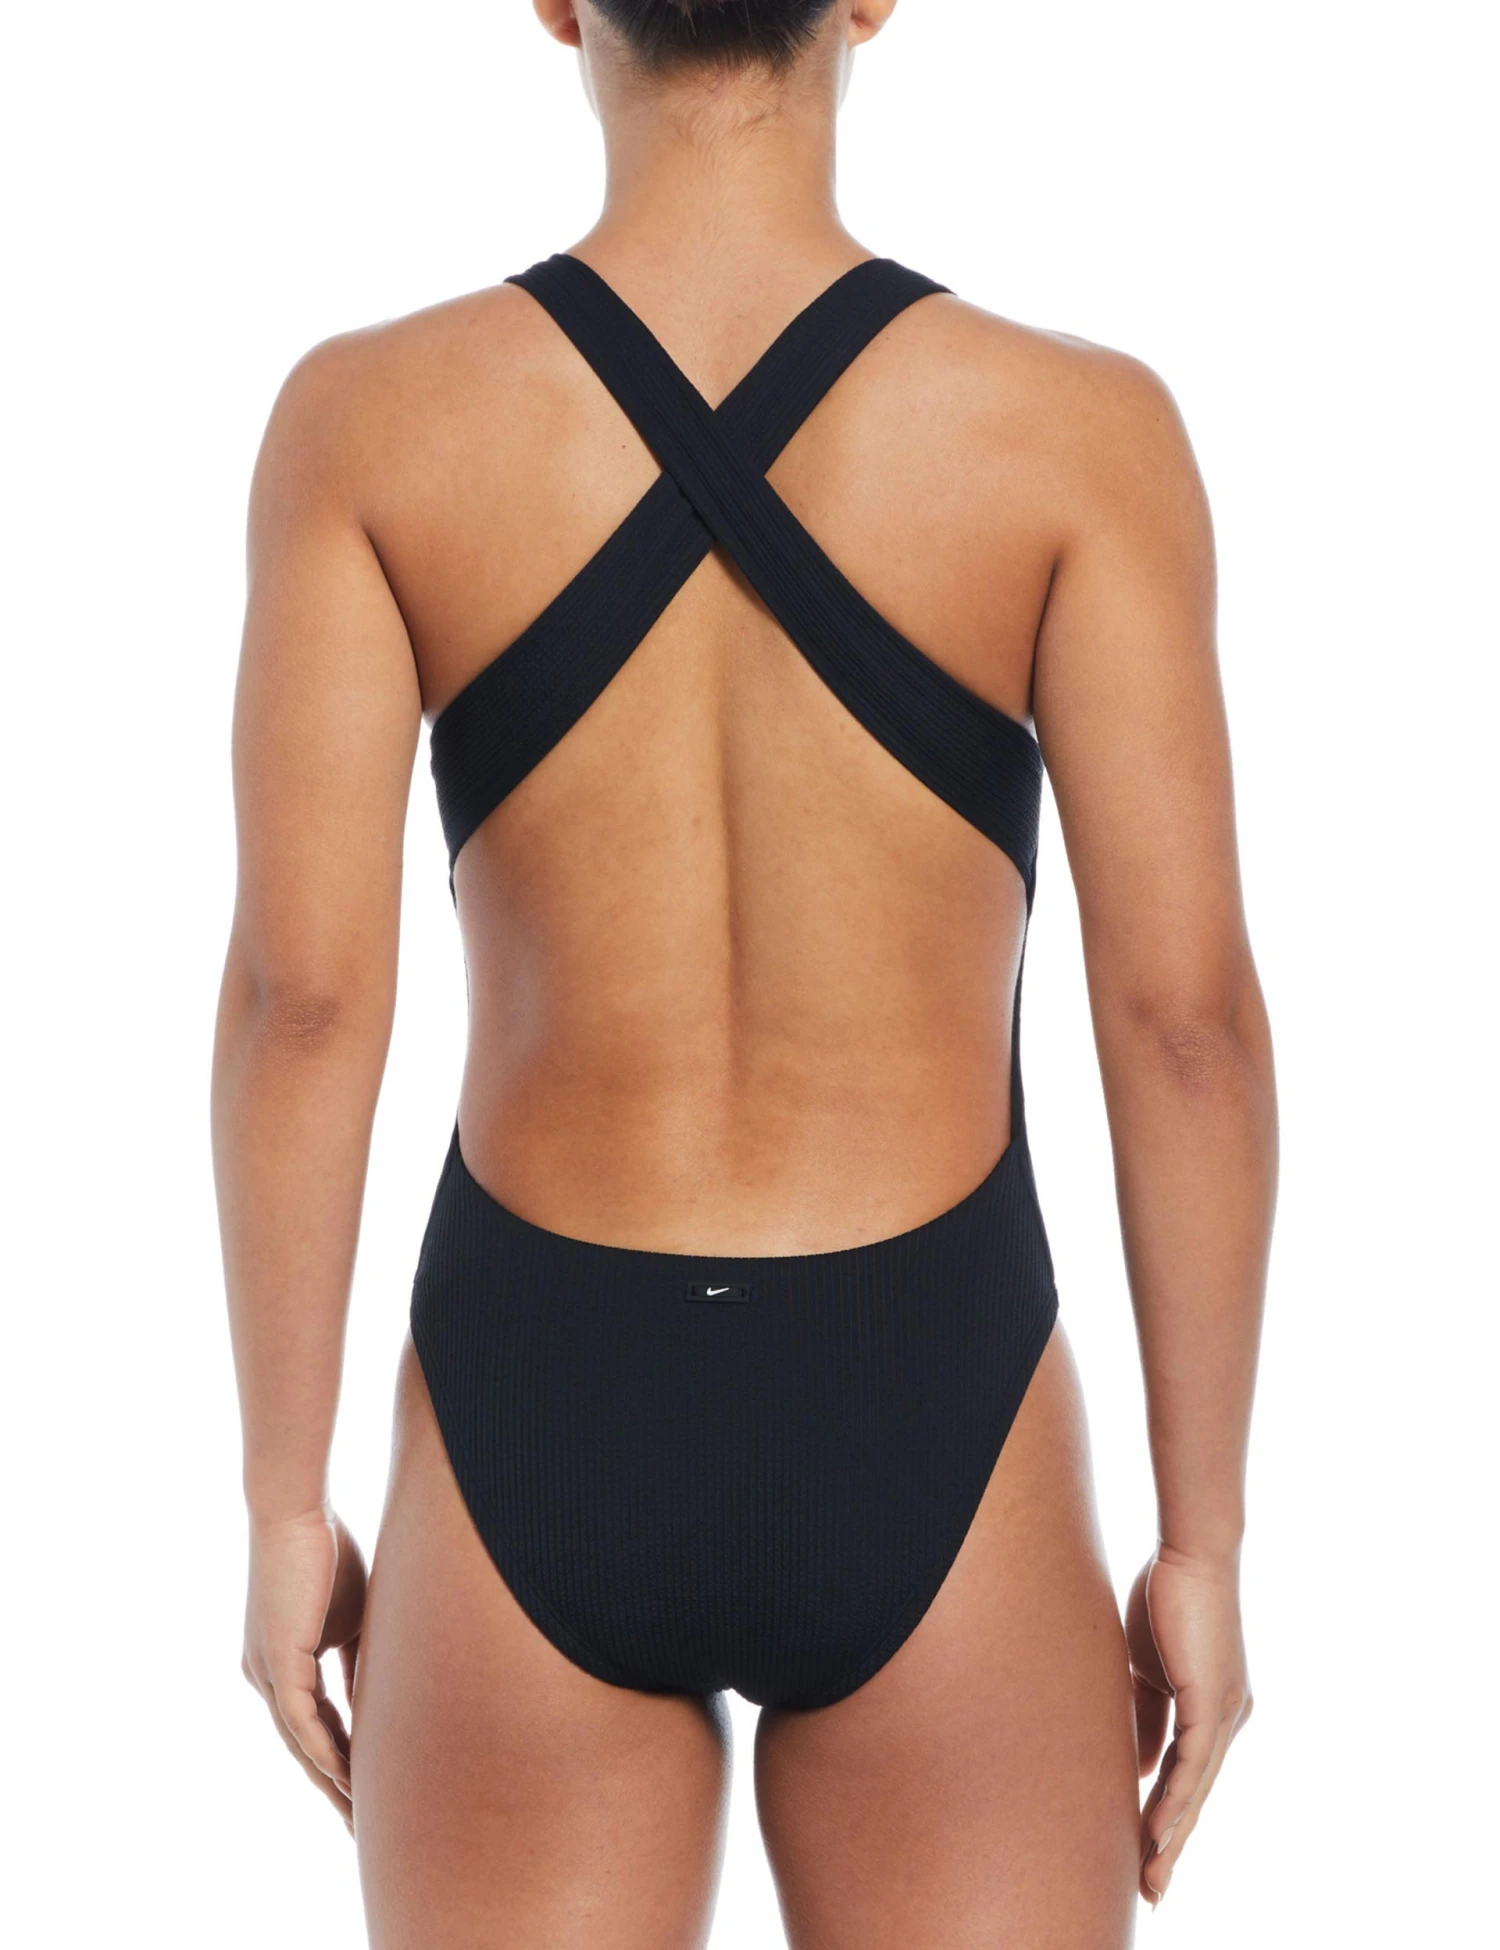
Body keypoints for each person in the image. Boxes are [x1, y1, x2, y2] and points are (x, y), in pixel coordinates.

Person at [213, 1, 1276, 1941]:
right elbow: (1184, 1025)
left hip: (535, 1386)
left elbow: (304, 1005)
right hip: (932, 1384)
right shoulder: (1074, 435)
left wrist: (288, 1504)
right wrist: (1199, 1541)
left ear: (559, 2)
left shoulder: (370, 424)